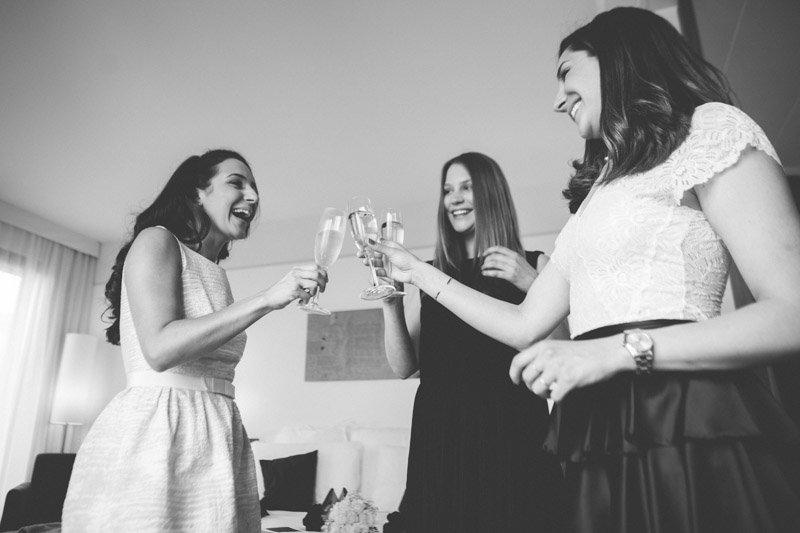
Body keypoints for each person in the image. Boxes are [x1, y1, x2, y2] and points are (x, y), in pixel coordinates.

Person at [370, 8, 800, 533]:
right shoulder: (595, 196)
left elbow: (791, 313)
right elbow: (524, 323)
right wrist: (413, 270)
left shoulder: (709, 129)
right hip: (596, 426)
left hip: (682, 413)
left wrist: (612, 352)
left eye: (566, 73)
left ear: (617, 59)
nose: (557, 99)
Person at [62, 149, 327, 532]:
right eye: (237, 183)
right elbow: (160, 348)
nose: (253, 196)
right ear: (197, 193)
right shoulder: (157, 241)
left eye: (254, 188)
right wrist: (269, 298)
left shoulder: (215, 273)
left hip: (217, 434)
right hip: (160, 432)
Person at [378, 152, 566, 533]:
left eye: (466, 187)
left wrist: (532, 284)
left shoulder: (535, 263)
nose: (454, 199)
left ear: (491, 193)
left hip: (511, 431)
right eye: (448, 190)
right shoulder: (430, 276)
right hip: (440, 436)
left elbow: (562, 351)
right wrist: (390, 303)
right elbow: (403, 367)